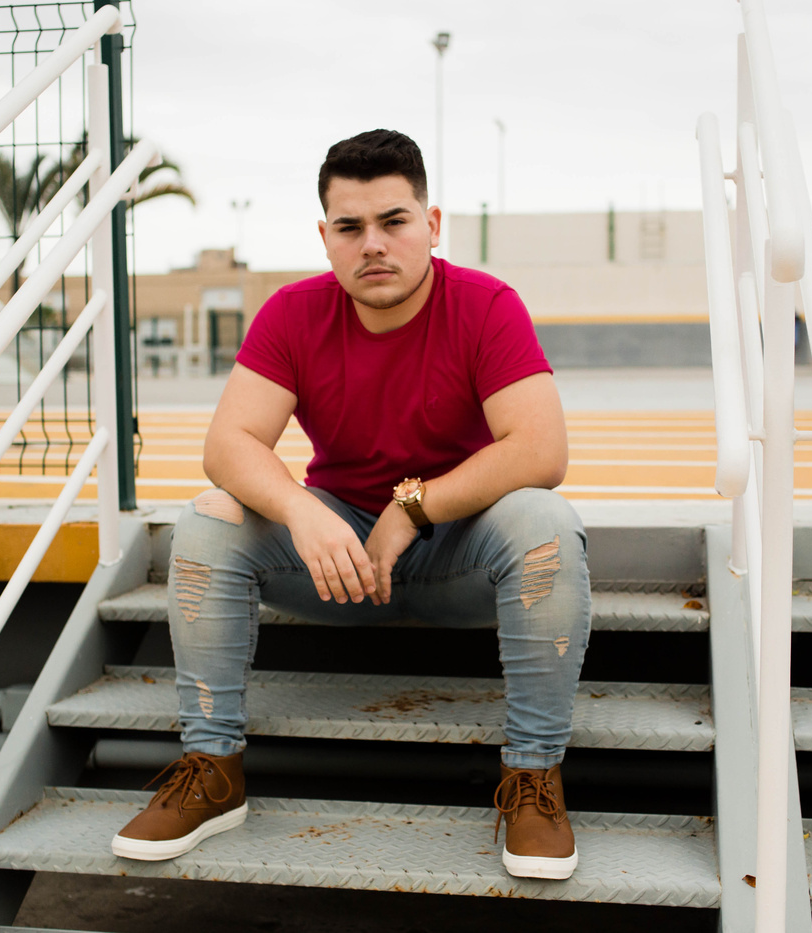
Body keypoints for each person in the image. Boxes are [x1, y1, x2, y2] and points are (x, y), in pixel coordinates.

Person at [110, 129, 592, 880]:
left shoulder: (486, 305)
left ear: (432, 225)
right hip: (338, 564)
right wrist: (301, 509)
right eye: (350, 226)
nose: (373, 244)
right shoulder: (293, 313)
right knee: (208, 519)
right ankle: (213, 769)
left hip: (459, 555)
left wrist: (413, 507)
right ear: (325, 237)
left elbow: (540, 449)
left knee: (546, 522)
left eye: (394, 221)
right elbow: (229, 442)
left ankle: (533, 778)